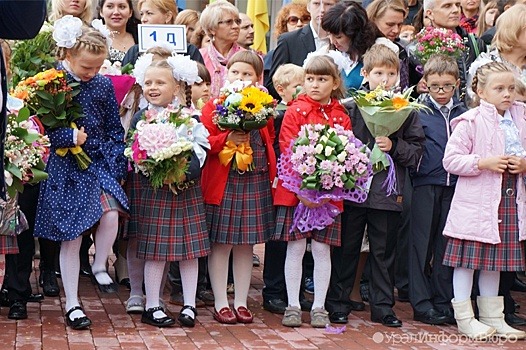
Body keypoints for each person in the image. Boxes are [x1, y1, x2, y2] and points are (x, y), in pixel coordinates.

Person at [33, 17, 129, 330]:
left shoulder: (101, 85)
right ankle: (73, 302)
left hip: (97, 162)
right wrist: (69, 138)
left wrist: (116, 162)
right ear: (68, 56)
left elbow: (115, 129)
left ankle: (101, 264)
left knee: (111, 213)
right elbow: (40, 129)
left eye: (97, 67)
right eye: (86, 67)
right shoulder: (51, 82)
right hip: (65, 166)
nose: (92, 73)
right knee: (72, 239)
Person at [328, 44, 425, 327]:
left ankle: (383, 307)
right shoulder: (353, 107)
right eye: (378, 73)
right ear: (366, 74)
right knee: (347, 248)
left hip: (387, 192)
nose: (384, 79)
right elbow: (338, 143)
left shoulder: (404, 110)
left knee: (383, 252)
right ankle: (339, 302)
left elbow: (417, 151)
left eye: (391, 73)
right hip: (354, 190)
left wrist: (394, 145)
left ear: (398, 76)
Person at [442, 61, 526, 340]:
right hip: (475, 202)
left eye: (511, 88)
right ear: (480, 90)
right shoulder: (470, 121)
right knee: (467, 262)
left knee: (495, 261)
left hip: (509, 198)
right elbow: (450, 160)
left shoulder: (522, 117)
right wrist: (483, 162)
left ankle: (493, 317)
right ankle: (465, 318)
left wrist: (524, 164)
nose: (507, 94)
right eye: (499, 88)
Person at [127, 55, 210, 328]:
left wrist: (182, 173)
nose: (153, 87)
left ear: (176, 87)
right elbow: (133, 152)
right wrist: (155, 170)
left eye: (160, 82)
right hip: (153, 191)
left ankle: (189, 305)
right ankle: (152, 304)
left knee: (190, 250)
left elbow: (201, 148)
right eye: (148, 82)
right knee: (156, 250)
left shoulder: (189, 118)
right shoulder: (141, 118)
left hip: (185, 189)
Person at [272, 55, 350, 328]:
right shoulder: (295, 111)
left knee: (321, 249)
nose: (315, 85)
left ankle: (319, 306)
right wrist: (303, 190)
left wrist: (326, 191)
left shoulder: (341, 115)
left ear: (335, 82)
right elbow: (288, 148)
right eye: (310, 79)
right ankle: (293, 304)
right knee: (294, 248)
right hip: (296, 193)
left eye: (322, 79)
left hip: (329, 195)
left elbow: (346, 155)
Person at [200, 50, 276, 324]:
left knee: (246, 244)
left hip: (254, 177)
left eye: (247, 74)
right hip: (226, 179)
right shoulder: (213, 106)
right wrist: (227, 137)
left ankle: (242, 302)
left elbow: (270, 135)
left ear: (258, 78)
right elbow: (206, 142)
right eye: (235, 72)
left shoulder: (264, 106)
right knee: (222, 242)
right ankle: (221, 301)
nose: (241, 78)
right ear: (226, 73)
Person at [409, 54, 467, 325]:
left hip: (455, 186)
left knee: (446, 247)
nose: (441, 92)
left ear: (457, 84)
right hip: (424, 184)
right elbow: (407, 145)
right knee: (420, 246)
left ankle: (443, 302)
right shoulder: (417, 111)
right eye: (435, 86)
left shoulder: (464, 113)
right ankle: (421, 304)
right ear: (425, 84)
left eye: (447, 86)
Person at [0, 0, 46, 317]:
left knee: (19, 234)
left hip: (14, 187)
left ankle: (17, 290)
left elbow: (38, 144)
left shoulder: (18, 107)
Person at [263, 63, 309, 315]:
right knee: (279, 239)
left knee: (299, 240)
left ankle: (297, 291)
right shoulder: (277, 113)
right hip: (282, 182)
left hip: (304, 184)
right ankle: (273, 291)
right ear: (281, 89)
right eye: (297, 86)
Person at [168, 61, 214, 309]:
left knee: (197, 237)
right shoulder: (181, 115)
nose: (205, 88)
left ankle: (199, 286)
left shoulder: (201, 114)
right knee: (178, 236)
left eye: (207, 83)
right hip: (177, 182)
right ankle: (177, 286)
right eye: (198, 83)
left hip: (199, 180)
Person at [266, 0, 340, 99]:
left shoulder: (344, 40)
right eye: (317, 4)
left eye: (328, 4)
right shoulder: (288, 41)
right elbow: (273, 84)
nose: (322, 10)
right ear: (308, 7)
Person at [121, 0, 203, 67]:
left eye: (149, 13)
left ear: (168, 16)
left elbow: (199, 83)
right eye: (142, 14)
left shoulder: (189, 51)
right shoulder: (134, 51)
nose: (143, 19)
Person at [322, 1, 381, 92]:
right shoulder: (326, 53)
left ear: (355, 34)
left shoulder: (378, 52)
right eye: (329, 35)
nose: (332, 41)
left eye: (338, 37)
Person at [199, 0, 246, 98]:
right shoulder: (199, 57)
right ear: (212, 29)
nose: (236, 26)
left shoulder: (248, 58)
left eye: (237, 21)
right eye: (229, 22)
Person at [263, 2, 310, 87]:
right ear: (284, 25)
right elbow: (271, 86)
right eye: (293, 20)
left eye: (305, 19)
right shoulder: (272, 55)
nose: (299, 24)